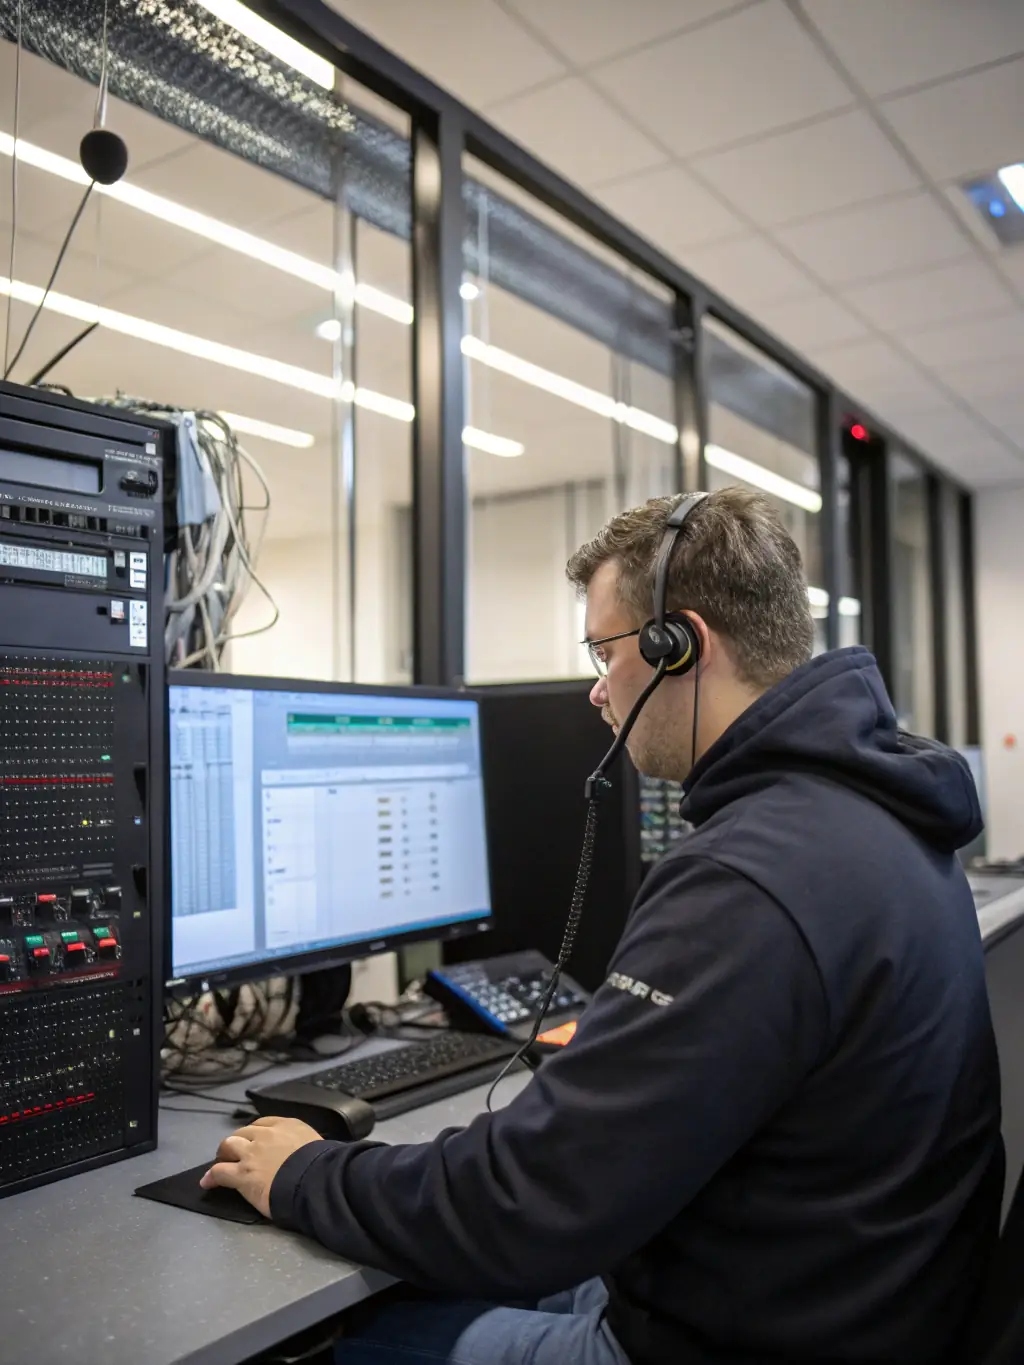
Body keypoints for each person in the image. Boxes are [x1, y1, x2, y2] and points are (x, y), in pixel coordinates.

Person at [202, 487, 1003, 1365]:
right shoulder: (881, 815)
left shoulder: (747, 879)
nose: (595, 687)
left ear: (677, 644)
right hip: (852, 1296)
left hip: (741, 1338)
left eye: (605, 650)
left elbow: (526, 1204)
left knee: (343, 1342)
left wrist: (305, 1170)